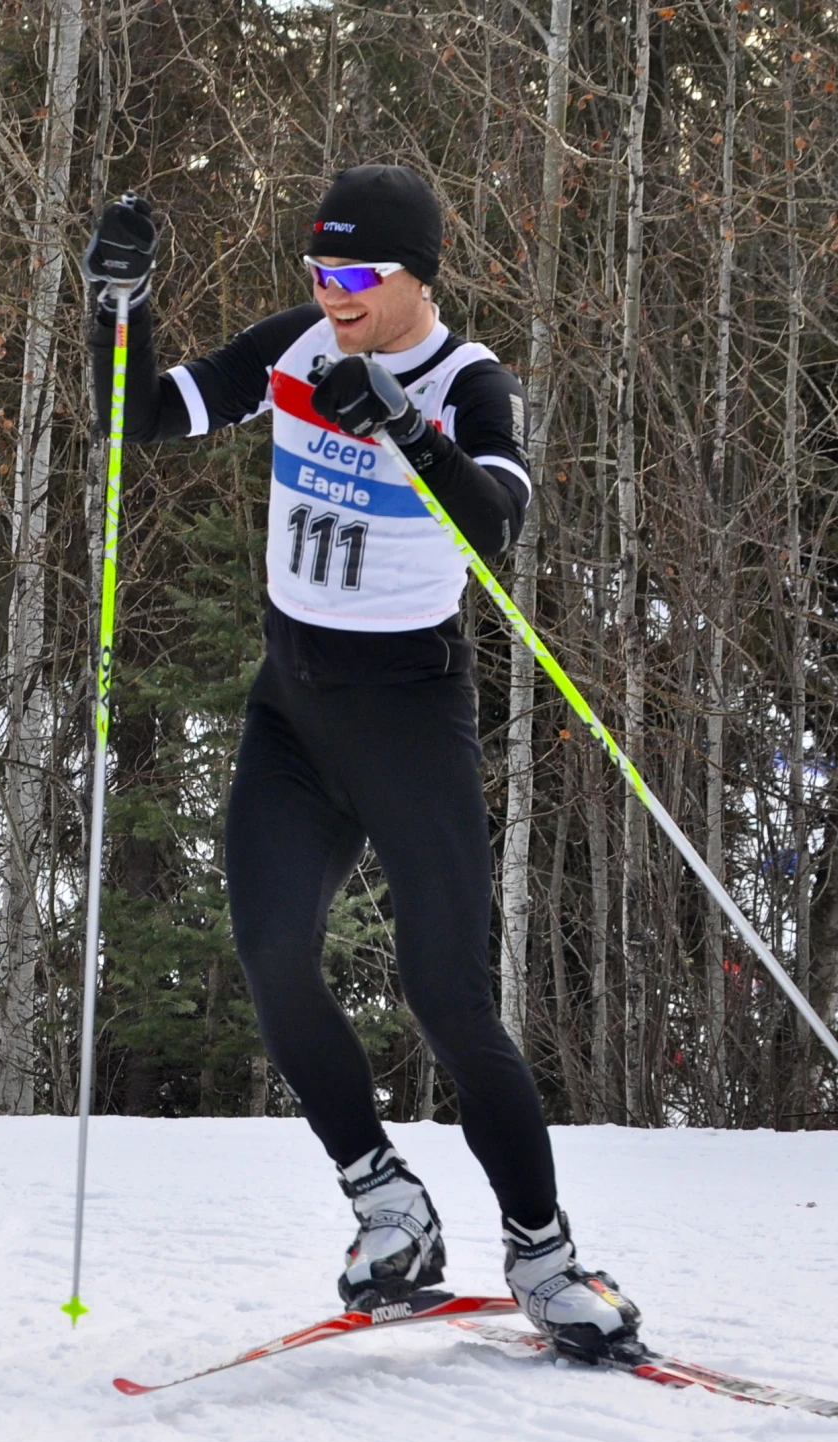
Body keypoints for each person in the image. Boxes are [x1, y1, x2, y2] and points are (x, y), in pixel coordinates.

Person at [81, 165, 641, 1362]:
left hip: (405, 714)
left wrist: (402, 426)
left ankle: (544, 1253)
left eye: (350, 276)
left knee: (447, 998)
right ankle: (384, 1201)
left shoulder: (466, 380)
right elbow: (137, 415)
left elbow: (496, 519)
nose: (327, 295)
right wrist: (113, 310)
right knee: (273, 957)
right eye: (315, 272)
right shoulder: (294, 344)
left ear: (411, 278)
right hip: (291, 714)